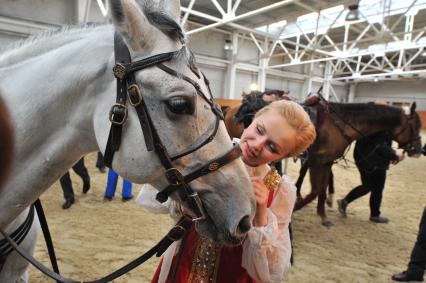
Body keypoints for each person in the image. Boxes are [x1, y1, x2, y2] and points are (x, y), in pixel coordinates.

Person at [137, 100, 316, 283]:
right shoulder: (206, 154)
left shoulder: (279, 189)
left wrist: (261, 213)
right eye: (259, 130)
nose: (257, 145)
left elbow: (272, 270)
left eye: (272, 147)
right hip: (184, 266)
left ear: (283, 156)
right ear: (253, 120)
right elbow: (156, 199)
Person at [337, 131, 404, 223]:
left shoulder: (375, 123)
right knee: (377, 188)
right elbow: (381, 147)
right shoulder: (382, 127)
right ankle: (375, 215)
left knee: (367, 186)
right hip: (374, 161)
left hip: (364, 158)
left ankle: (344, 202)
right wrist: (394, 155)